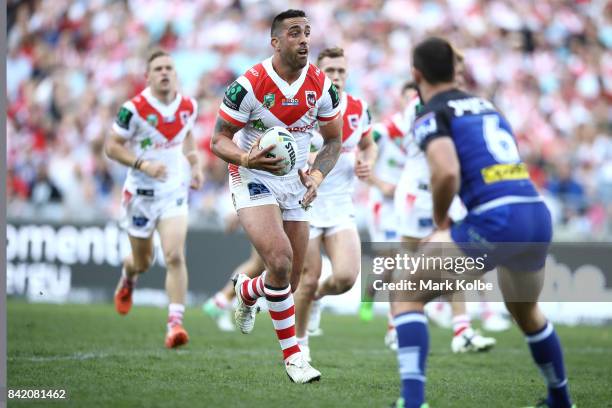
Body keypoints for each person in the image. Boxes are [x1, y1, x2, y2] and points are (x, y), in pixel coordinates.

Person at [390, 37, 574, 408]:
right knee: (526, 311)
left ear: (416, 75)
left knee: (406, 294)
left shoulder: (430, 112)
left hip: (497, 218)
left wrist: (441, 220)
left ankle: (412, 403)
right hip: (534, 214)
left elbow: (446, 174)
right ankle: (560, 399)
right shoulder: (487, 106)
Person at [210, 9, 342, 383]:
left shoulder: (321, 86)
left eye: (307, 33)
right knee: (280, 262)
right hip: (252, 176)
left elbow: (334, 141)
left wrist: (317, 174)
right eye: (295, 33)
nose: (304, 40)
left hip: (295, 183)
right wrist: (246, 156)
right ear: (276, 42)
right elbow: (218, 139)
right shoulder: (248, 85)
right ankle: (294, 359)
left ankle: (247, 289)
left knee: (290, 282)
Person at [105, 50, 203, 349]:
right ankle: (129, 277)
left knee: (174, 255)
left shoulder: (189, 105)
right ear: (147, 76)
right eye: (158, 68)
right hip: (141, 195)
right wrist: (142, 165)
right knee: (143, 261)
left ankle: (174, 325)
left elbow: (186, 135)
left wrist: (195, 163)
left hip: (173, 192)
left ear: (176, 73)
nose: (164, 72)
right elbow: (112, 146)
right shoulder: (132, 109)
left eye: (169, 68)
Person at [293, 47, 377, 362]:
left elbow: (369, 146)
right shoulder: (302, 108)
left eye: (341, 71)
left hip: (341, 204)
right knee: (309, 276)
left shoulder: (359, 108)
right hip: (305, 204)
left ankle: (317, 299)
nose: (337, 77)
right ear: (317, 73)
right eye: (330, 71)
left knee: (345, 278)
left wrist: (367, 163)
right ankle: (299, 346)